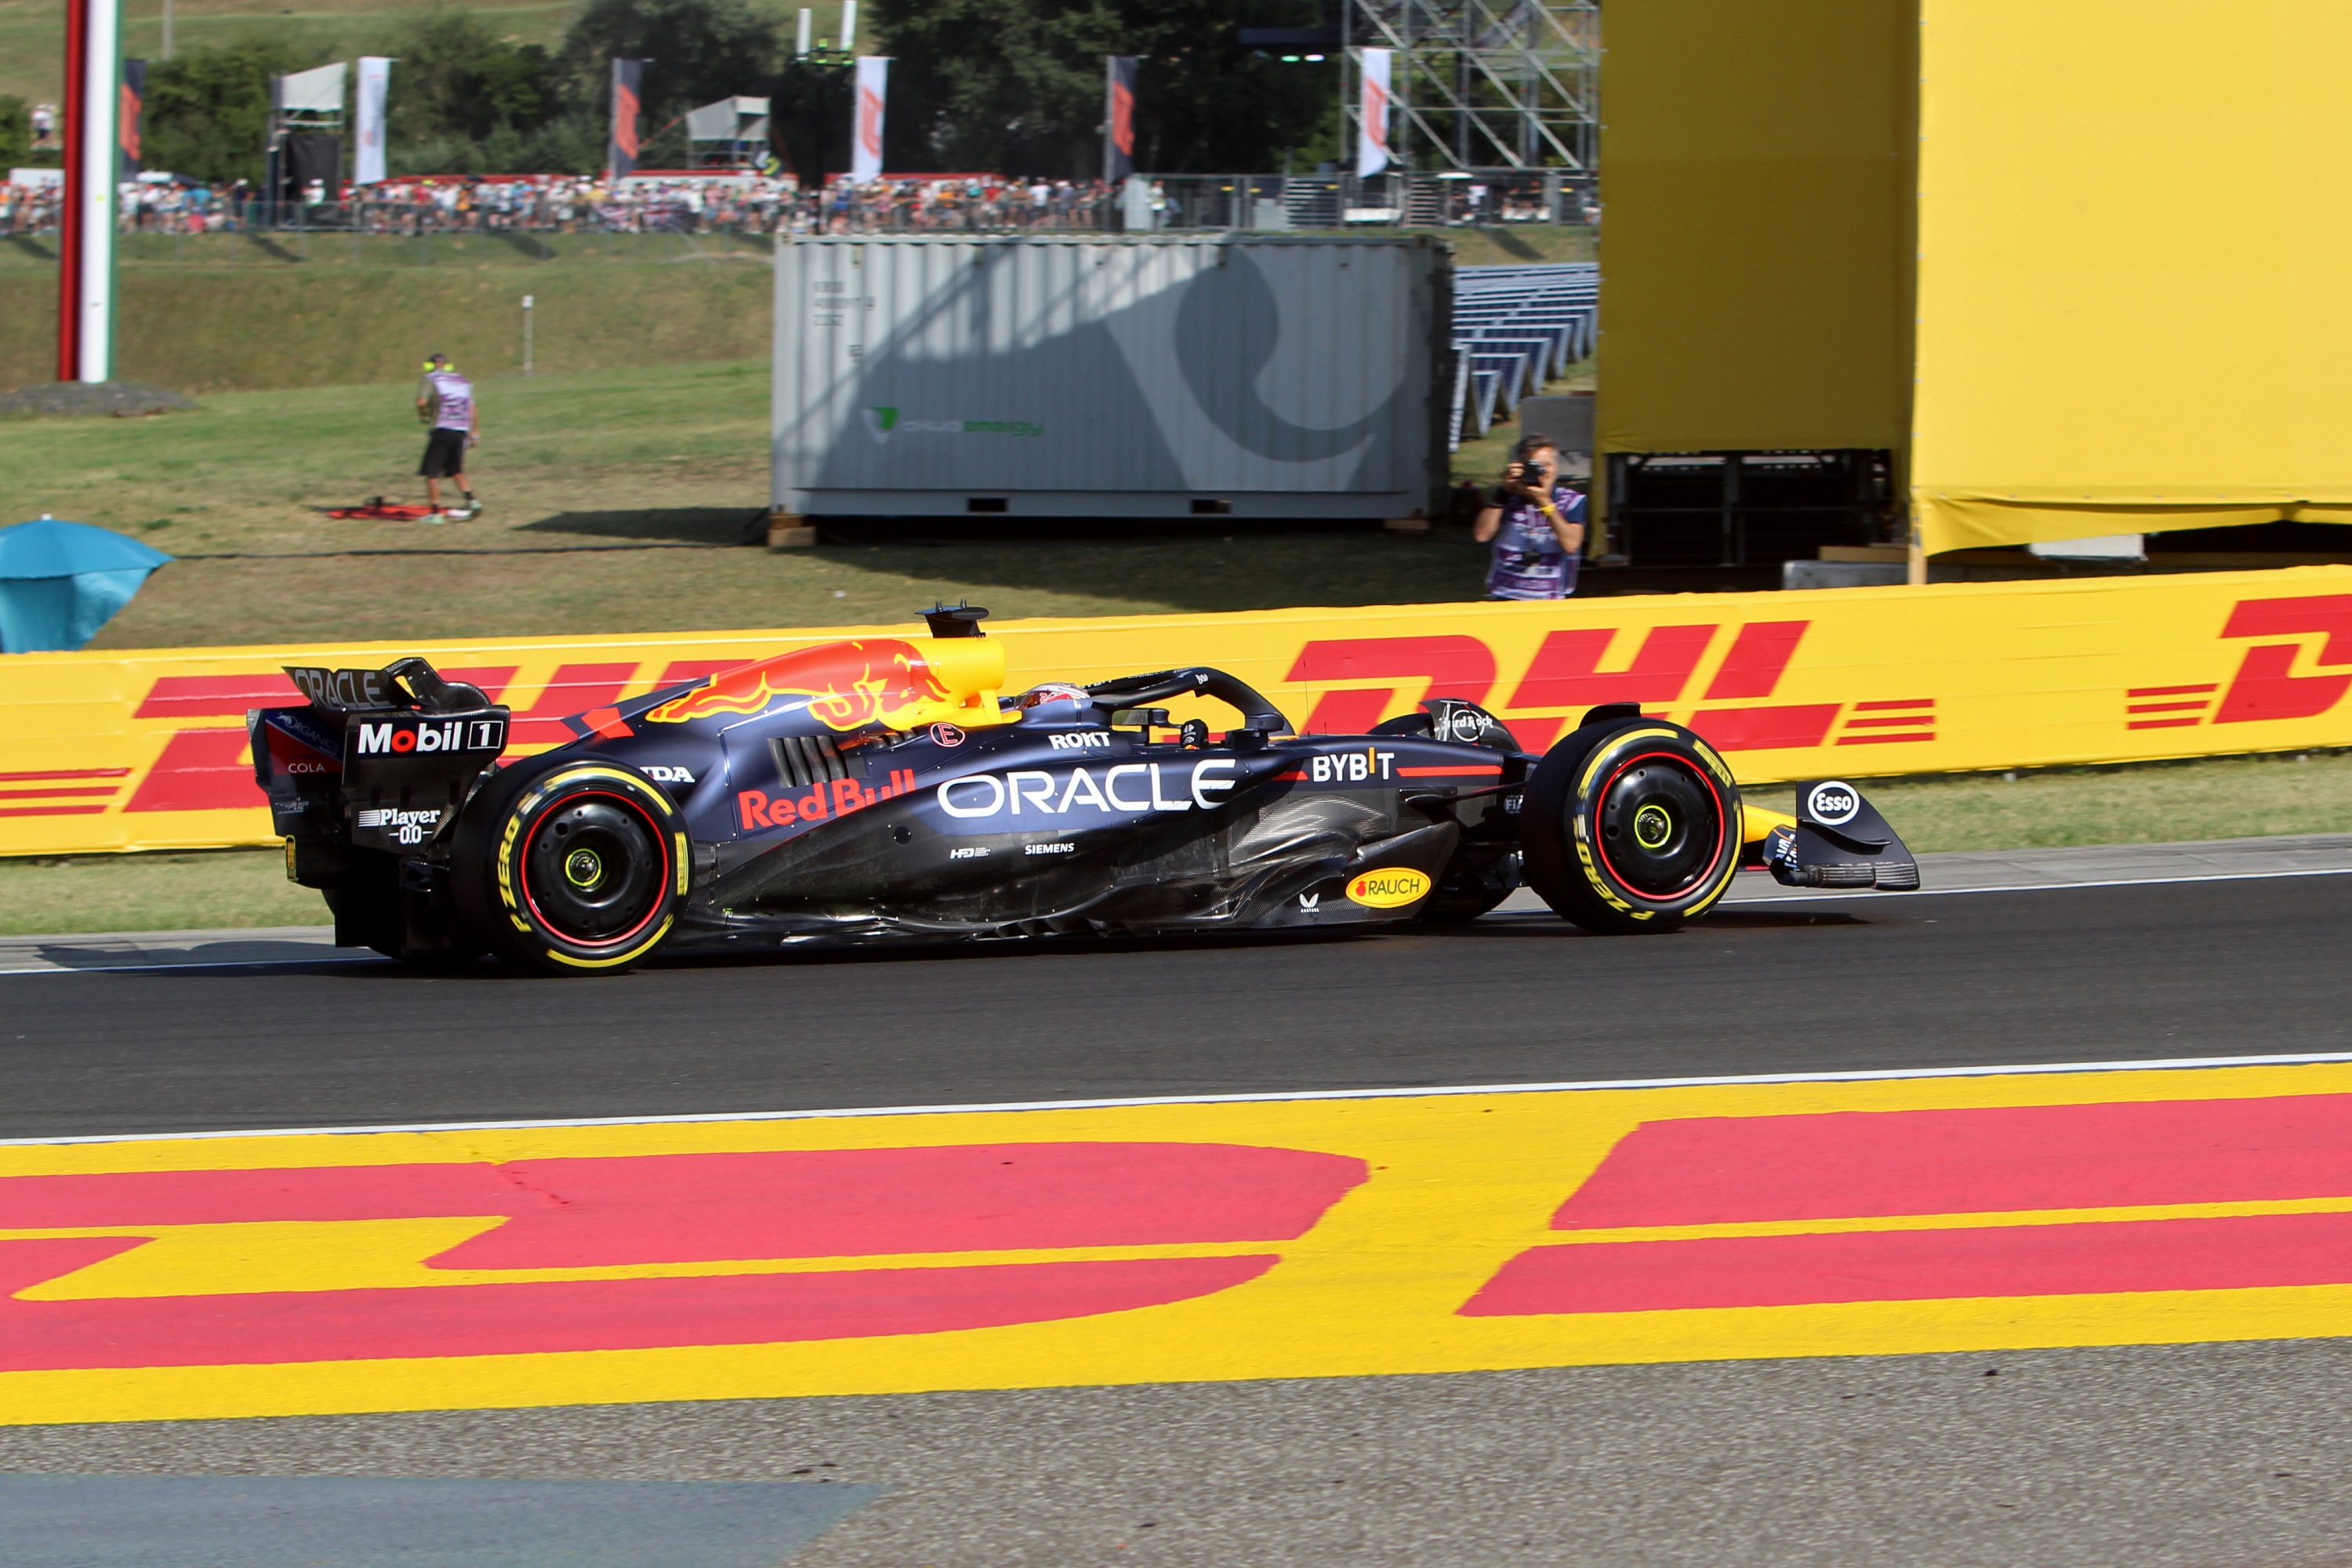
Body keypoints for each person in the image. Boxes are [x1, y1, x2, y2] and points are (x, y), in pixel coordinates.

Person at [1473, 436, 1586, 600]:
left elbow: (1571, 544)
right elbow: (1481, 535)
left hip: (1550, 597)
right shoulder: (1509, 498)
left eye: (1548, 464)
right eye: (1536, 466)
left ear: (1556, 466)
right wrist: (1503, 491)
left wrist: (1545, 502)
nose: (1543, 471)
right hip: (1505, 595)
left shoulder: (1572, 500)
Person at [413, 352, 481, 517]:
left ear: (429, 366)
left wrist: (423, 414)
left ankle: (435, 513)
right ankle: (473, 501)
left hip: (442, 429)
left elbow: (421, 401)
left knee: (432, 472)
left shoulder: (430, 379)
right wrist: (475, 432)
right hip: (461, 430)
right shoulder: (463, 381)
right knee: (456, 469)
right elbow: (473, 408)